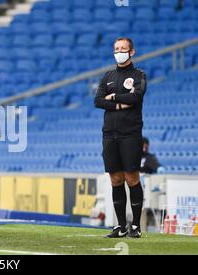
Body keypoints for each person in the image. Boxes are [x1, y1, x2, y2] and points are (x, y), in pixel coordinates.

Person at [94, 37, 147, 238]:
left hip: (130, 134)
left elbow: (135, 98)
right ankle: (121, 226)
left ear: (131, 52)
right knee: (115, 179)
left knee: (131, 177)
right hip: (109, 134)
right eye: (116, 49)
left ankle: (136, 226)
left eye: (123, 49)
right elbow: (98, 100)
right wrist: (119, 103)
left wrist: (113, 97)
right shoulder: (107, 76)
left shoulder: (139, 75)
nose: (119, 52)